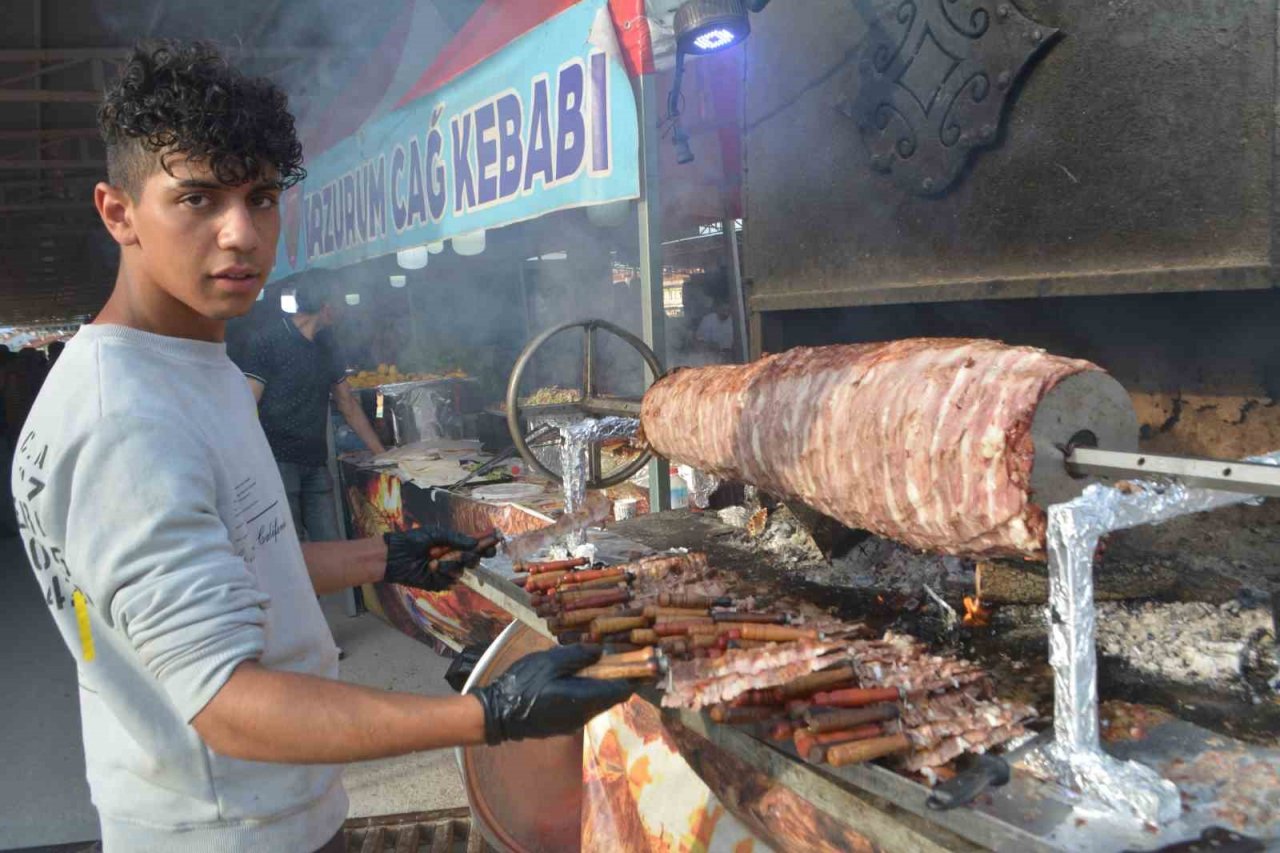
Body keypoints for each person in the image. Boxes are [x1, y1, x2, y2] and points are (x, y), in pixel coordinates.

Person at [12, 41, 632, 853]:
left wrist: (384, 558)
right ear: (118, 211)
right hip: (228, 829)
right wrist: (490, 713)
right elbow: (229, 703)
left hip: (268, 810)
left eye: (260, 197)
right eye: (196, 199)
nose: (239, 233)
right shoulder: (125, 419)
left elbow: (236, 563)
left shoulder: (196, 367)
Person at [238, 269, 385, 544]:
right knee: (292, 550)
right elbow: (246, 406)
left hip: (316, 463)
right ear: (327, 306)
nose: (343, 309)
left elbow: (347, 403)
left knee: (331, 546)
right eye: (339, 301)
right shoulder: (268, 340)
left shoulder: (328, 343)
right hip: (278, 464)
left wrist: (382, 454)